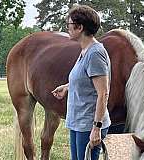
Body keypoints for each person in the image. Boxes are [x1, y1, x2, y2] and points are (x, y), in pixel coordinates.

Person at [52, 4, 111, 160]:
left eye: (69, 25)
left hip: (88, 125)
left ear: (80, 27)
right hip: (78, 122)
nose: (67, 28)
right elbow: (87, 80)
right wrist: (67, 87)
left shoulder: (95, 53)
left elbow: (103, 93)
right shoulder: (85, 51)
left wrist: (97, 128)